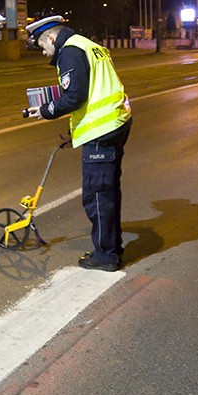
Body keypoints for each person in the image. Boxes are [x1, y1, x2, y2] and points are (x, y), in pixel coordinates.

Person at [25, 15, 132, 272]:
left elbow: (75, 95)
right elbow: (93, 91)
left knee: (96, 196)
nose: (43, 52)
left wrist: (47, 110)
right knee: (107, 192)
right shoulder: (88, 45)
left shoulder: (70, 52)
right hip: (115, 122)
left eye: (42, 45)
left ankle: (106, 256)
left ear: (51, 37)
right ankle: (111, 247)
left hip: (102, 130)